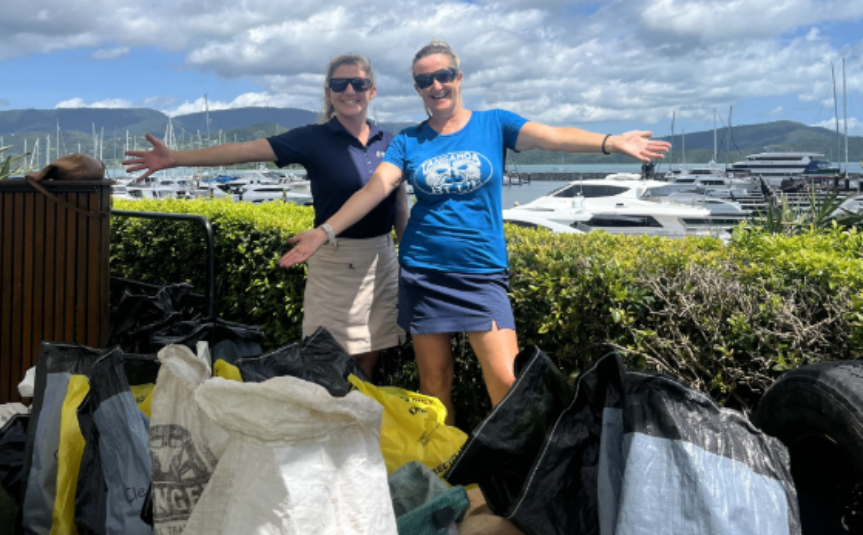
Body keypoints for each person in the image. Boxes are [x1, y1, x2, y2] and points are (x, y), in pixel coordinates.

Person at [279, 42, 670, 423]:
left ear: (459, 77)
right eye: (425, 79)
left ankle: (515, 476)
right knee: (434, 385)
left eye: (443, 75)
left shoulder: (494, 124)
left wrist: (611, 142)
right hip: (423, 273)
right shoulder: (408, 141)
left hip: (481, 273)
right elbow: (374, 190)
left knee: (506, 380)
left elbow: (551, 135)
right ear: (417, 88)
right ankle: (446, 469)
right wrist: (325, 232)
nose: (436, 85)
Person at [122, 53, 408, 377]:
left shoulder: (391, 141)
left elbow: (398, 204)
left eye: (359, 83)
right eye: (339, 84)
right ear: (329, 93)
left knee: (371, 349)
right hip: (334, 257)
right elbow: (245, 150)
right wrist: (176, 159)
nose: (349, 90)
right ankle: (327, 419)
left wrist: (409, 255)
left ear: (372, 90)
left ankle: (357, 419)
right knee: (326, 354)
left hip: (381, 258)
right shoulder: (313, 139)